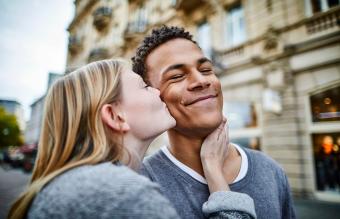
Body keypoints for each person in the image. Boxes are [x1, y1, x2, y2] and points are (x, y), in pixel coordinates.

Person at [8, 59, 256, 219]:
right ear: (116, 116)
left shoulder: (75, 184)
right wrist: (214, 170)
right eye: (144, 87)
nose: (158, 91)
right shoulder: (118, 193)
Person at [132, 26, 296, 219]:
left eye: (206, 69)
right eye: (176, 76)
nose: (201, 80)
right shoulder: (140, 185)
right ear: (153, 98)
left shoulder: (270, 169)